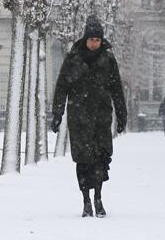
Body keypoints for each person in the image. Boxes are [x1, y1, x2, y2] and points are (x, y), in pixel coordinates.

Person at [51, 15, 127, 218]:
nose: (94, 43)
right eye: (91, 39)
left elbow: (117, 89)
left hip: (101, 116)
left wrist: (122, 115)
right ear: (85, 39)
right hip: (79, 117)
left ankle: (99, 198)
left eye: (98, 40)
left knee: (101, 159)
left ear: (101, 41)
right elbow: (62, 87)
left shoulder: (108, 60)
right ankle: (86, 200)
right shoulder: (73, 58)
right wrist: (57, 114)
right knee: (83, 160)